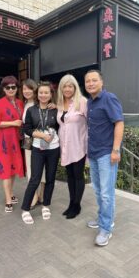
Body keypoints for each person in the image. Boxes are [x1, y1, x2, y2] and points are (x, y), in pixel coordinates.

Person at [84, 70, 124, 246]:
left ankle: (106, 229)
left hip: (107, 153)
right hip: (93, 153)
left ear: (101, 82)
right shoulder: (90, 103)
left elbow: (119, 123)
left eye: (94, 80)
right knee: (99, 191)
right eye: (87, 81)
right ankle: (103, 220)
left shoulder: (109, 98)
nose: (90, 83)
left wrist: (115, 150)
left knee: (107, 194)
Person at [21, 81, 60, 224]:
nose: (43, 95)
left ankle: (46, 205)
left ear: (51, 95)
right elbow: (27, 129)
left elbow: (60, 126)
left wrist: (58, 107)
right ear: (37, 94)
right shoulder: (32, 110)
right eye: (41, 92)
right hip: (37, 148)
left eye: (46, 93)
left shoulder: (55, 110)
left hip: (54, 148)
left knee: (50, 179)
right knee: (35, 179)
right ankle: (25, 209)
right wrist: (41, 135)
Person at [0, 76, 24, 213]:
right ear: (3, 89)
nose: (11, 89)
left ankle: (11, 192)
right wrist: (13, 123)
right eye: (8, 87)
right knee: (5, 171)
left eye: (13, 87)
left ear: (16, 88)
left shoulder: (20, 103)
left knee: (13, 168)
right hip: (3, 142)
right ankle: (8, 200)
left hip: (16, 141)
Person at [57, 74, 87, 219]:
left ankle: (77, 205)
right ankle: (71, 203)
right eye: (65, 86)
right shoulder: (59, 103)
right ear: (61, 88)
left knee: (78, 175)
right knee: (69, 176)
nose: (67, 89)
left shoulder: (82, 102)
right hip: (65, 146)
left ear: (75, 87)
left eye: (70, 86)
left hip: (79, 145)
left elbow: (91, 123)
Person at [21, 79, 45, 207]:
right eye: (24, 89)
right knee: (30, 168)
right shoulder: (25, 104)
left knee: (40, 168)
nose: (26, 91)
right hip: (28, 140)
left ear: (34, 89)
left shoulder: (39, 103)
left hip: (39, 139)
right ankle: (35, 195)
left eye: (29, 88)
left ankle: (39, 194)